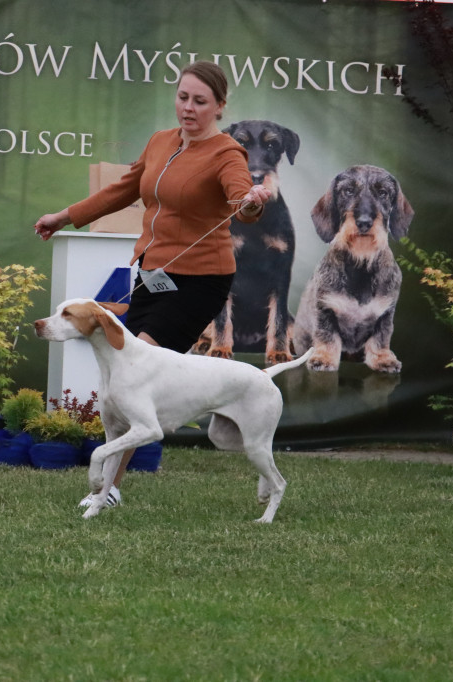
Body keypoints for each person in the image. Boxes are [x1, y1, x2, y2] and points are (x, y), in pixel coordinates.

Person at [33, 60, 275, 508]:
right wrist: (65, 216)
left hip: (200, 280)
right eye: (183, 97)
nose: (188, 108)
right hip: (151, 274)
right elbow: (122, 190)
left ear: (220, 107)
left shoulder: (227, 153)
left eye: (200, 101)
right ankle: (112, 482)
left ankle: (109, 490)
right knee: (122, 384)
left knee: (132, 375)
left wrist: (251, 204)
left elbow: (241, 197)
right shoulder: (161, 142)